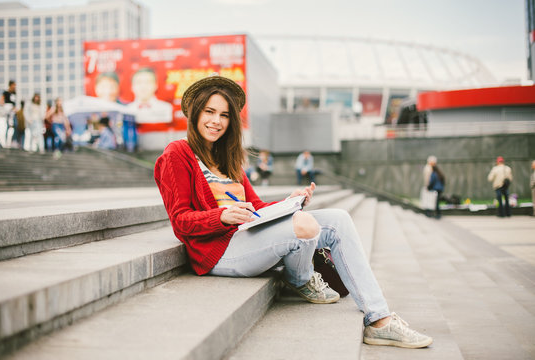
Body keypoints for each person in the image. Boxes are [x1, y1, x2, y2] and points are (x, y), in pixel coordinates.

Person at [154, 75, 432, 349]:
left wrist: (289, 202)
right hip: (219, 251)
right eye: (209, 112)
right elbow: (180, 222)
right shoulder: (177, 153)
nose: (216, 121)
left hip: (247, 235)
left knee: (338, 219)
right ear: (194, 113)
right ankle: (299, 278)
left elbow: (257, 208)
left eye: (224, 115)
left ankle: (379, 319)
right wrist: (221, 216)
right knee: (305, 227)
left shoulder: (228, 158)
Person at [0, 80, 17, 147]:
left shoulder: (14, 93)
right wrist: (6, 107)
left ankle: (12, 141)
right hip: (8, 110)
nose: (15, 87)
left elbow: (14, 103)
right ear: (10, 85)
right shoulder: (6, 93)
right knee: (8, 126)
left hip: (13, 111)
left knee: (15, 125)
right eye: (14, 85)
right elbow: (1, 101)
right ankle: (6, 142)